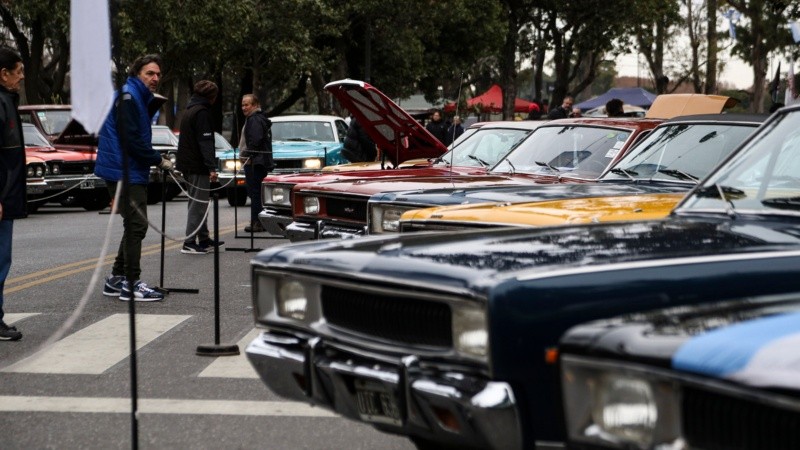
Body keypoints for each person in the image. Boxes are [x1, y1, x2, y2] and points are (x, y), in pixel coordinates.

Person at [96, 54, 173, 302]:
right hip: (124, 170)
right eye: (149, 73)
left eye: (158, 74)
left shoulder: (134, 95)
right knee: (138, 225)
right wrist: (157, 159)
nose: (155, 78)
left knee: (133, 225)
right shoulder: (129, 96)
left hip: (125, 168)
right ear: (136, 73)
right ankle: (131, 283)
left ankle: (117, 279)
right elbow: (131, 139)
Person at [176, 80, 222, 254]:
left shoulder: (190, 110)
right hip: (197, 165)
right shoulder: (202, 113)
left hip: (187, 164)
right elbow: (205, 142)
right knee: (199, 203)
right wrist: (211, 167)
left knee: (198, 201)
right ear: (212, 96)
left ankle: (203, 239)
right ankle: (189, 242)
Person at [0, 47, 25, 341]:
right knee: (0, 259)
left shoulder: (8, 100)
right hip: (3, 196)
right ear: (3, 74)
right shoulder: (2, 103)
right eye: (17, 72)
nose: (21, 77)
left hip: (7, 195)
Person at [239, 94, 274, 233]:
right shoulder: (254, 119)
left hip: (255, 162)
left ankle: (257, 223)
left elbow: (256, 140)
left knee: (255, 193)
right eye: (242, 105)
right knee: (256, 193)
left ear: (255, 105)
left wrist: (246, 154)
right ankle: (258, 221)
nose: (244, 107)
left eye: (247, 104)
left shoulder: (254, 119)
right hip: (255, 161)